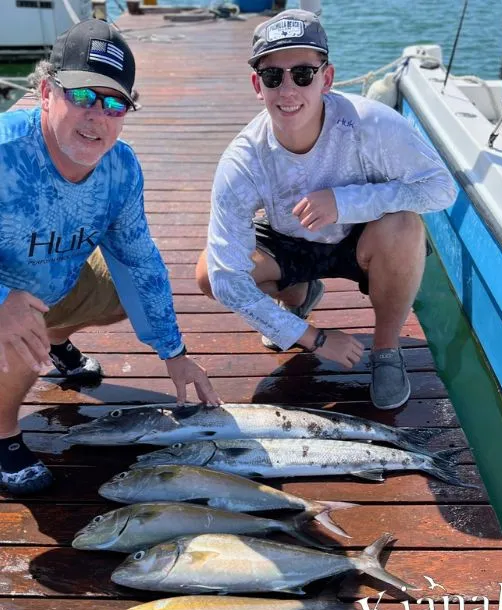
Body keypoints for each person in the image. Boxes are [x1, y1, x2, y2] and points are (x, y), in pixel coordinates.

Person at [0, 19, 220, 496]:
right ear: (45, 92)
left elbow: (140, 262)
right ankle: (2, 435)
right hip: (7, 296)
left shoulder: (121, 168)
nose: (97, 116)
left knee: (124, 288)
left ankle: (56, 341)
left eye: (115, 102)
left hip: (49, 279)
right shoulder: (4, 153)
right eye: (82, 95)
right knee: (16, 324)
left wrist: (173, 352)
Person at [196, 9, 456, 412]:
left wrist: (345, 201)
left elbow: (441, 190)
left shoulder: (372, 125)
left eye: (303, 74)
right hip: (288, 238)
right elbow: (227, 280)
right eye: (272, 76)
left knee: (405, 226)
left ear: (327, 78)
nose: (287, 90)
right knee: (209, 273)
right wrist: (311, 336)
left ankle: (386, 350)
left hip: (360, 236)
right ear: (256, 85)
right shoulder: (242, 158)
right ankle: (298, 296)